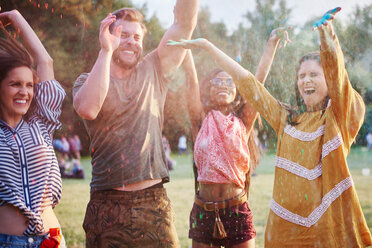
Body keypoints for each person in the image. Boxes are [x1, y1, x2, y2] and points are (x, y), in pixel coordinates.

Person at [168, 7, 372, 247]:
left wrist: (327, 37)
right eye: (302, 75)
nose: (306, 80)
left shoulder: (339, 117)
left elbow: (338, 78)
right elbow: (250, 84)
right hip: (286, 231)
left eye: (314, 75)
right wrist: (208, 47)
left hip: (328, 229)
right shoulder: (286, 119)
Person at [72, 1, 198, 247]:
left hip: (153, 202)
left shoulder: (155, 68)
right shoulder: (87, 80)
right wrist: (106, 51)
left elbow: (184, 25)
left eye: (137, 37)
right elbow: (88, 108)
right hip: (107, 204)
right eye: (123, 35)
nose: (131, 41)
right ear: (108, 35)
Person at [178, 27, 290, 248]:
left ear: (238, 93)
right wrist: (187, 45)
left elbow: (257, 83)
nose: (222, 85)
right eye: (216, 82)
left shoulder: (244, 121)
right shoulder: (200, 119)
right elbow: (191, 79)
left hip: (236, 208)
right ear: (208, 91)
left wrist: (271, 43)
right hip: (203, 210)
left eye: (229, 82)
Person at [0, 9, 66, 248]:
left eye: (29, 85)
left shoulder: (41, 124)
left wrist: (17, 17)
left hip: (51, 240)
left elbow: (45, 61)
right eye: (15, 84)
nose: (24, 92)